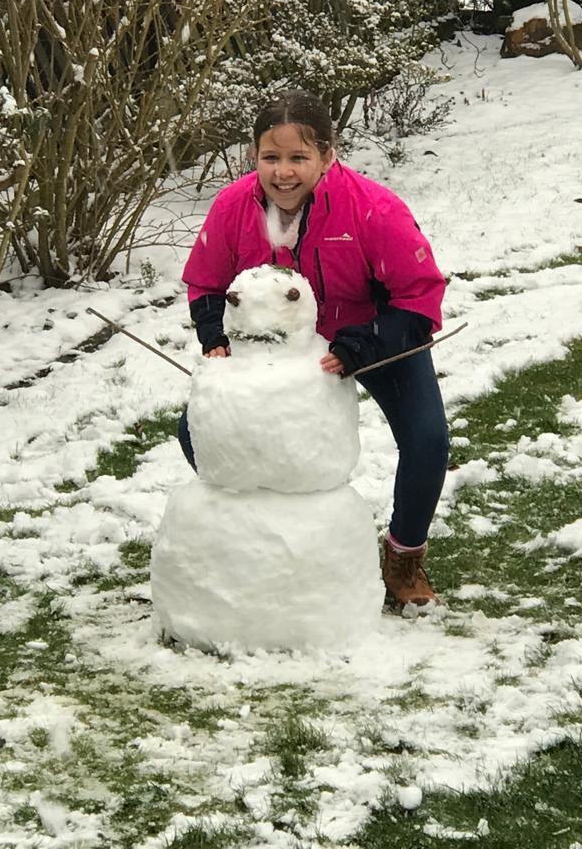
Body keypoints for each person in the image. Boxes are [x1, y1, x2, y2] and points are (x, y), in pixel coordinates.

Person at [178, 90, 449, 608]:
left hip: (371, 335)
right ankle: (275, 533)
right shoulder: (233, 207)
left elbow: (420, 296)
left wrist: (364, 344)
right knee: (196, 430)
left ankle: (403, 558)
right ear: (253, 156)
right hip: (276, 349)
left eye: (298, 157)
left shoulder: (372, 208)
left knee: (427, 439)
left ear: (327, 154)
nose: (283, 173)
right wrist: (216, 338)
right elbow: (206, 283)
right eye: (270, 157)